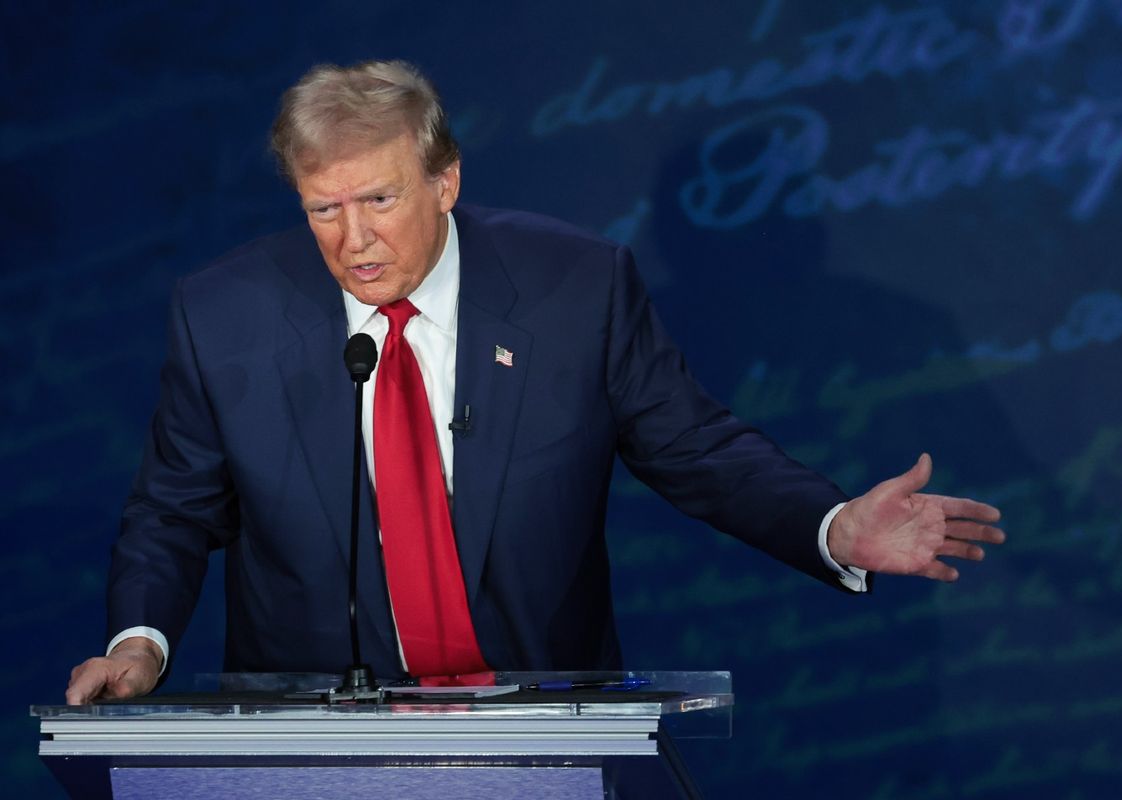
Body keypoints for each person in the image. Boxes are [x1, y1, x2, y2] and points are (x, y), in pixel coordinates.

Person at [65, 60, 1003, 704]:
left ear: (446, 181)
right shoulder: (222, 312)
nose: (353, 241)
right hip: (311, 733)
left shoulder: (575, 289)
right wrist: (138, 645)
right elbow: (173, 510)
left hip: (541, 719)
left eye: (380, 200)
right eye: (324, 208)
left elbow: (696, 451)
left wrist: (833, 525)